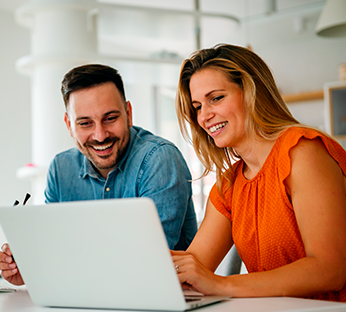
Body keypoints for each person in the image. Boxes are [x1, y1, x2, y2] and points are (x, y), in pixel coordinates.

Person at [172, 43, 346, 302]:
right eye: (197, 106)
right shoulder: (229, 185)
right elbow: (193, 264)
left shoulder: (303, 151)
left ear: (253, 92)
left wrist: (222, 284)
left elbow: (330, 269)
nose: (204, 116)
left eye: (216, 98)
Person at [0, 64, 197, 286]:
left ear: (128, 114)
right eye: (85, 123)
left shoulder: (159, 159)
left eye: (110, 118)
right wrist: (29, 268)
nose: (100, 135)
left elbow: (149, 264)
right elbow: (54, 250)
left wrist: (59, 262)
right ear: (69, 125)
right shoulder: (60, 169)